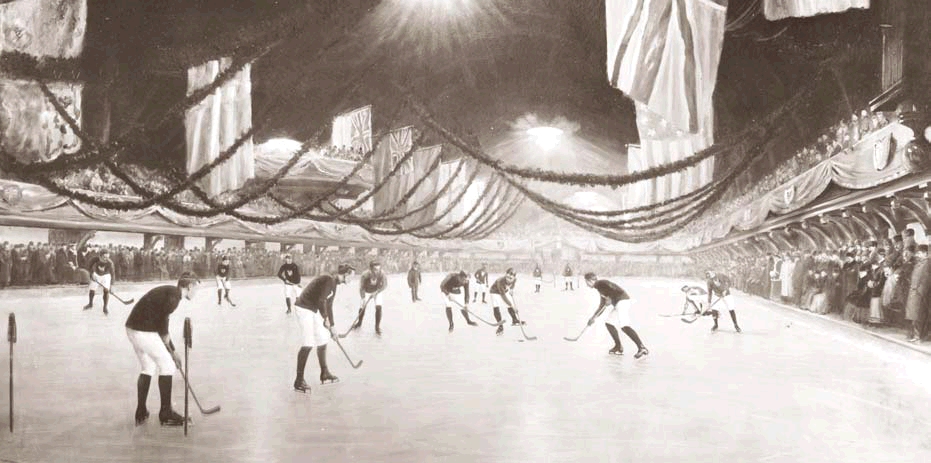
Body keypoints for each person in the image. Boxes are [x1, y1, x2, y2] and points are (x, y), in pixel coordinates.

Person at [125, 272, 199, 426]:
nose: (196, 292)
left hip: (132, 328)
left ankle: (141, 411)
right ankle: (166, 413)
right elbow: (162, 329)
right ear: (190, 286)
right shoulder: (174, 298)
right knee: (168, 365)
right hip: (143, 331)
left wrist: (171, 350)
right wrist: (173, 352)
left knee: (148, 366)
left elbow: (160, 326)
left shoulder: (170, 293)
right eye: (196, 288)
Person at [293, 264, 355, 393]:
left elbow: (329, 305)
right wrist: (325, 319)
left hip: (313, 308)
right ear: (345, 274)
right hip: (304, 308)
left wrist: (332, 326)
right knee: (308, 343)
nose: (351, 279)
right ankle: (298, 381)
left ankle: (324, 373)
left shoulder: (334, 283)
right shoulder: (329, 280)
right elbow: (321, 301)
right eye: (351, 276)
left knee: (322, 338)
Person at [583, 272, 648, 359]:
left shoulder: (602, 283)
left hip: (623, 301)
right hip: (619, 304)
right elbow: (602, 306)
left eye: (586, 282)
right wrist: (593, 317)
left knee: (624, 326)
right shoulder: (600, 289)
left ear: (590, 280)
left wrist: (610, 297)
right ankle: (618, 347)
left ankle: (642, 348)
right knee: (609, 323)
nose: (586, 285)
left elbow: (617, 290)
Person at [352, 261, 388, 335]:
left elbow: (385, 285)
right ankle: (359, 323)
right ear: (370, 269)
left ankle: (377, 327)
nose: (377, 271)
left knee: (379, 307)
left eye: (379, 269)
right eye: (375, 269)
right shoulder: (365, 275)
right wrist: (363, 297)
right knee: (362, 306)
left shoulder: (382, 274)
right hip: (366, 291)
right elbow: (361, 287)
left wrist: (377, 292)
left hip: (377, 291)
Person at [490, 268, 521, 336]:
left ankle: (514, 319)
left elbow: (512, 285)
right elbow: (503, 297)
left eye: (511, 278)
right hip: (495, 291)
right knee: (496, 306)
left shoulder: (514, 279)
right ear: (506, 275)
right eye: (507, 277)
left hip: (505, 291)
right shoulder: (500, 281)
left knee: (510, 303)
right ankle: (500, 326)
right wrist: (513, 307)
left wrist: (511, 289)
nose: (509, 279)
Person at [84, 249, 115, 315]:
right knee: (92, 289)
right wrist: (92, 274)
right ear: (100, 256)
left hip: (105, 275)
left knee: (106, 290)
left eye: (107, 257)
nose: (106, 259)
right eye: (104, 257)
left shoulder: (110, 263)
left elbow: (113, 274)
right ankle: (90, 304)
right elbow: (88, 267)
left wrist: (111, 286)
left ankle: (105, 307)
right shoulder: (94, 260)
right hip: (96, 274)